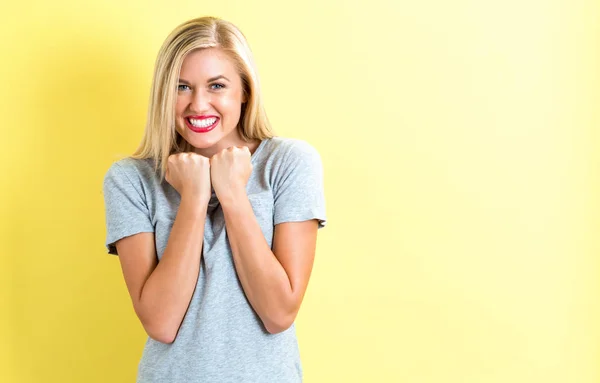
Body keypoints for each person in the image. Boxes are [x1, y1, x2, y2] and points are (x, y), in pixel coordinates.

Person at [102, 16, 326, 383]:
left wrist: (232, 193)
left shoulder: (289, 164)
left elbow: (279, 313)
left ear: (245, 92)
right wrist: (193, 197)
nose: (198, 104)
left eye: (217, 85)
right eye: (182, 87)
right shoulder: (131, 179)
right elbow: (161, 322)